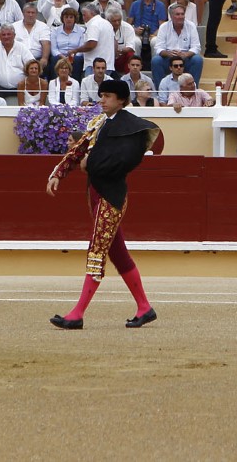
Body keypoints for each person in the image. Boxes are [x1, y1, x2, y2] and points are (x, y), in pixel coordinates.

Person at [46, 79, 161, 330]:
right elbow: (78, 150)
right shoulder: (98, 123)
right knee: (118, 254)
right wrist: (58, 173)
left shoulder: (130, 127)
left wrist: (91, 164)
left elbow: (124, 161)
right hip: (97, 194)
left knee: (97, 251)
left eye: (108, 96)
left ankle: (77, 314)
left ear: (121, 100)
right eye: (101, 95)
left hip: (112, 196)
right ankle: (144, 308)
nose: (102, 100)